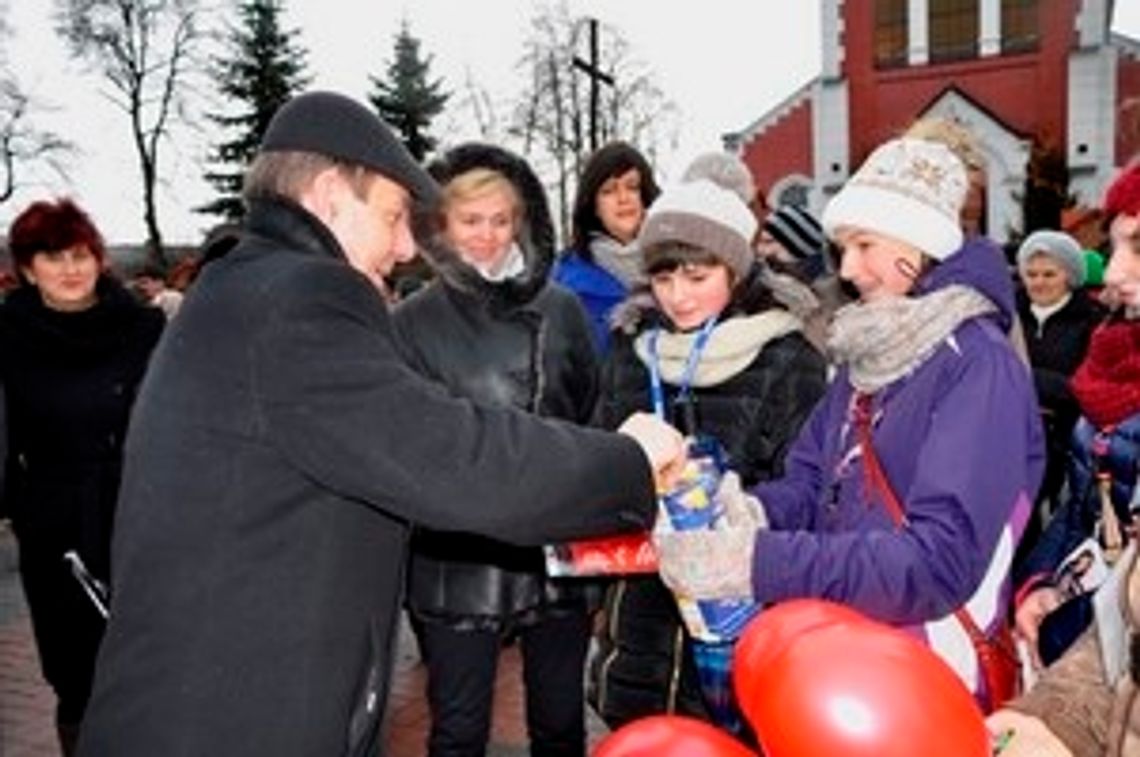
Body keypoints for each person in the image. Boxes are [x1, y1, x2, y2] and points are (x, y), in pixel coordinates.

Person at [75, 91, 684, 757]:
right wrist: (627, 460)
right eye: (394, 216)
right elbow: (455, 455)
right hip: (231, 723)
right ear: (332, 194)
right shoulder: (301, 302)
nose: (403, 247)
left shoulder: (246, 290)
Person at [653, 137, 1045, 711]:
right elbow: (811, 481)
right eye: (841, 247)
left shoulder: (978, 365)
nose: (847, 268)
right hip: (847, 663)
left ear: (920, 244)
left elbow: (936, 563)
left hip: (928, 679)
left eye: (864, 245)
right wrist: (751, 514)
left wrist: (758, 562)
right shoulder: (869, 354)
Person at [589, 176, 827, 730]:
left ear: (737, 272)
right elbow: (600, 452)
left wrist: (719, 510)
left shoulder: (788, 357)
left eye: (698, 276)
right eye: (664, 277)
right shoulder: (632, 350)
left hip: (738, 610)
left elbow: (805, 491)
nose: (679, 295)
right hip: (640, 612)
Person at [390, 142, 600, 756]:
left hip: (557, 548)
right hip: (457, 554)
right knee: (458, 731)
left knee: (561, 725)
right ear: (442, 224)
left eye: (500, 220)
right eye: (471, 220)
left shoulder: (561, 310)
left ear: (522, 222)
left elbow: (589, 415)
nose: (486, 236)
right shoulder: (412, 323)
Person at [0, 198, 164, 755]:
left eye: (79, 254)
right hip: (55, 523)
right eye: (51, 257)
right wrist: (23, 508)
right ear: (26, 268)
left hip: (140, 514)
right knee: (75, 674)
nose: (69, 269)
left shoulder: (144, 328)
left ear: (98, 259)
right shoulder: (7, 337)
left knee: (147, 663)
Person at [991, 164, 1140, 755]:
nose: (1119, 271)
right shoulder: (1112, 354)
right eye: (1117, 246)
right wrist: (1044, 583)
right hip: (1086, 635)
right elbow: (1082, 503)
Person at [1015, 230, 1105, 520]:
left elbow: (1087, 388)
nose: (1038, 282)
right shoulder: (1007, 316)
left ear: (1070, 275)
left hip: (1064, 443)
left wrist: (1024, 377)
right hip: (1010, 436)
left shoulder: (1093, 320)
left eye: (1049, 274)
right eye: (1031, 274)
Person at [552, 141, 660, 354]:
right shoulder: (561, 282)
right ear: (594, 207)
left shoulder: (678, 267)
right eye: (609, 191)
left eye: (632, 187)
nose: (623, 198)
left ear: (645, 195)